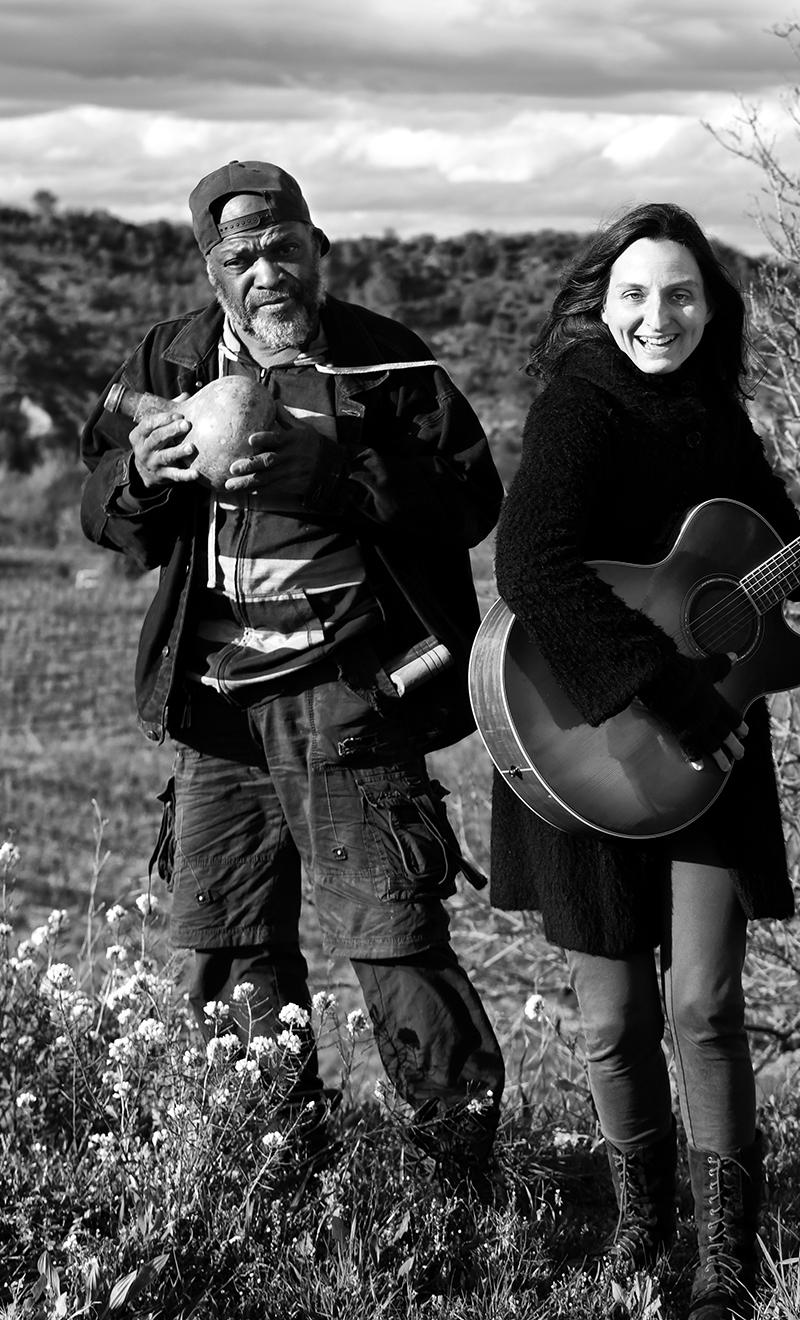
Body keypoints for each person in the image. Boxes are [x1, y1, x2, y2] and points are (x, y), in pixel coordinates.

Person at [78, 160, 507, 1193]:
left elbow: (470, 502)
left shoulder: (388, 364)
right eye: (241, 259)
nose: (266, 273)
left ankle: (459, 1191)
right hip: (218, 702)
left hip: (349, 693)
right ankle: (273, 1188)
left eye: (282, 249)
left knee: (393, 939)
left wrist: (342, 477)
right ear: (211, 271)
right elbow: (101, 509)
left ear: (318, 250)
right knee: (226, 946)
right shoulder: (170, 360)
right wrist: (138, 476)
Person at [487, 202, 800, 1318]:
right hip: (588, 733)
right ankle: (642, 1222)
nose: (656, 316)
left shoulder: (718, 413)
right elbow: (532, 567)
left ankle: (727, 1254)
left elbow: (782, 553)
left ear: (712, 308)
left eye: (680, 295)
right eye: (634, 294)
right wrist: (669, 690)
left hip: (710, 749)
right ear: (602, 303)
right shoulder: (579, 404)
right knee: (610, 1019)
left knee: (706, 1006)